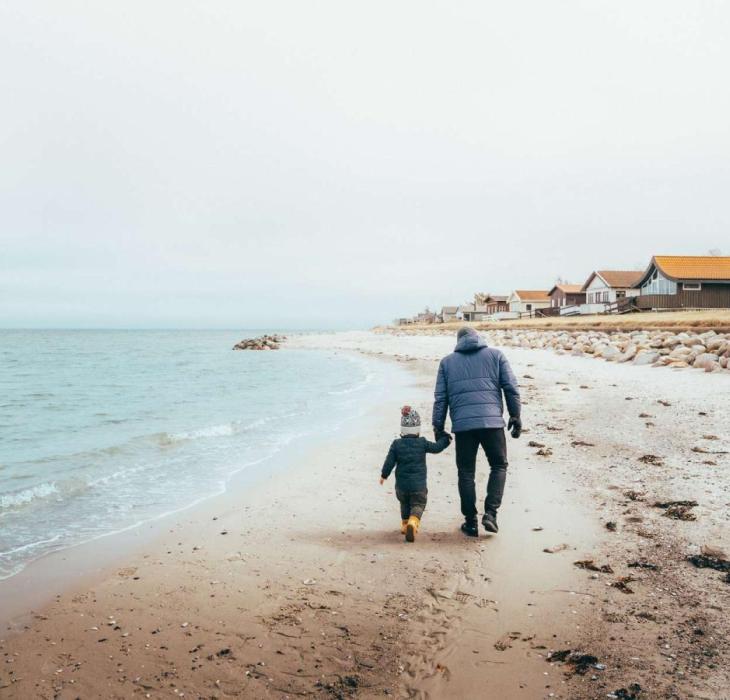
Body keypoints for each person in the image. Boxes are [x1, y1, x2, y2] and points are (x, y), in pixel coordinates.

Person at [432, 327, 521, 537]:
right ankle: (490, 514)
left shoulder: (447, 362)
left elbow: (441, 398)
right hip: (492, 423)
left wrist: (438, 427)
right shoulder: (496, 355)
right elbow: (511, 387)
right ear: (477, 337)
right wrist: (515, 416)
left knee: (466, 473)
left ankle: (470, 522)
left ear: (458, 341)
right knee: (499, 465)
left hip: (463, 426)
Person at [380, 406, 451, 542]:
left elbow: (389, 462)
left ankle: (405, 525)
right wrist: (445, 440)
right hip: (418, 487)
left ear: (402, 430)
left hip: (401, 487)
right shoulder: (422, 443)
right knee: (418, 504)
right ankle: (413, 522)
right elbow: (437, 448)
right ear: (417, 430)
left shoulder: (396, 444)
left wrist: (384, 475)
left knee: (404, 503)